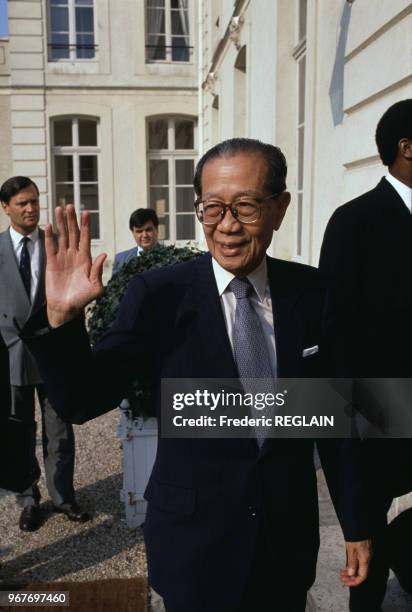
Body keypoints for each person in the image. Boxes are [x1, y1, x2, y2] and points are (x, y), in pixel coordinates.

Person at [22, 140, 370, 612]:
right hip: (196, 546)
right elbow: (83, 400)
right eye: (213, 208)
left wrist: (357, 523)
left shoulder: (311, 293)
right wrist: (61, 322)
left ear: (279, 208)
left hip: (284, 541)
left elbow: (335, 422)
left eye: (245, 206)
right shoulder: (159, 293)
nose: (227, 226)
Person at [319, 99, 412, 611]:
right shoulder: (354, 222)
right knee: (368, 550)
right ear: (407, 148)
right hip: (378, 418)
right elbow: (338, 339)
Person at [0, 176, 91, 531]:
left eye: (34, 201)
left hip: (52, 354)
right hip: (10, 356)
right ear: (6, 207)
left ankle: (63, 497)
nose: (30, 208)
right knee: (18, 433)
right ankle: (27, 500)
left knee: (60, 430)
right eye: (22, 203)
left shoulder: (55, 245)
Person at [112, 208, 159, 275]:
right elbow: (114, 285)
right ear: (133, 233)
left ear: (157, 230)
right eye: (139, 231)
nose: (145, 235)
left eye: (148, 230)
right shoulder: (121, 259)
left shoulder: (172, 257)